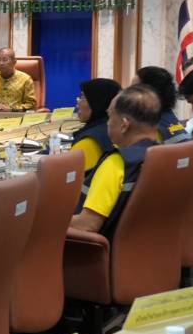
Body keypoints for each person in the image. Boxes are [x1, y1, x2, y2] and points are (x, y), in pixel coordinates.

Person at [71, 85, 163, 235]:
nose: (107, 123)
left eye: (110, 116)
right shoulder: (165, 155)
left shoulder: (116, 163)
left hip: (100, 246)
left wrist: (48, 221)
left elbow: (88, 224)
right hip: (154, 242)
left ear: (124, 125)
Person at [69, 78, 122, 176]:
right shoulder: (121, 131)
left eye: (82, 97)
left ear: (96, 102)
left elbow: (65, 178)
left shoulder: (88, 142)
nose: (78, 103)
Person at [135, 65, 186, 137]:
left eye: (133, 90)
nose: (128, 94)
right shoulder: (169, 119)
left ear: (149, 94)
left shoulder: (151, 129)